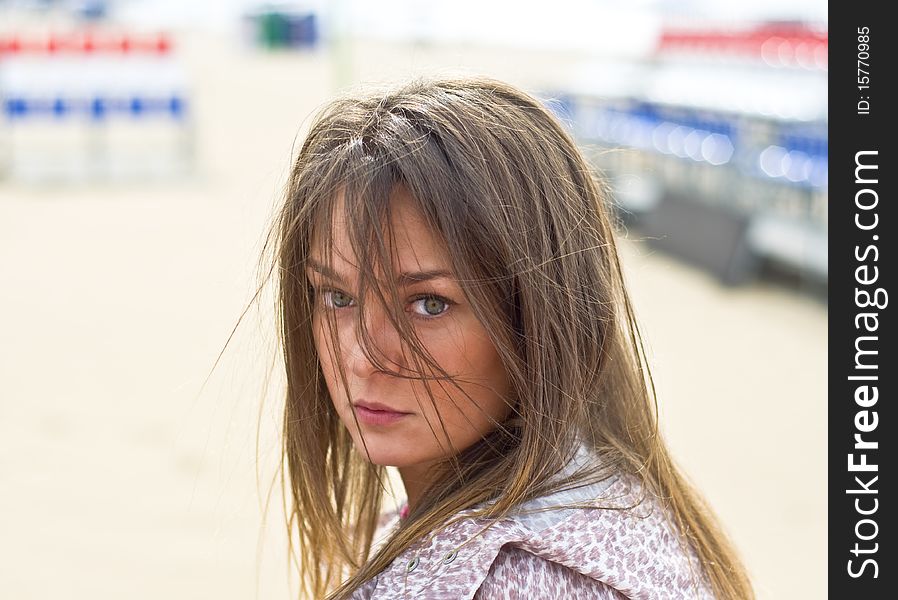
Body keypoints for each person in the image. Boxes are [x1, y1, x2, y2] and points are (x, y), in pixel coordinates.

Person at [265, 76, 754, 599]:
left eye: (430, 304)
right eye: (337, 297)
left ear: (542, 321)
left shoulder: (505, 579)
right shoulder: (610, 497)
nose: (361, 359)